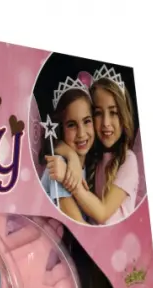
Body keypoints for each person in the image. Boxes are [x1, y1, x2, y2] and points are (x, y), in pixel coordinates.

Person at [46, 67, 138, 225]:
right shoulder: (93, 158)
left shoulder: (128, 160)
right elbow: (55, 144)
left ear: (124, 116)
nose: (106, 123)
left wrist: (69, 178)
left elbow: (102, 213)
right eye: (98, 113)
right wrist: (72, 157)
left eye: (113, 113)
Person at [39, 86, 95, 223]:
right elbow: (78, 225)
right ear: (60, 128)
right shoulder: (58, 165)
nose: (81, 133)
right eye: (71, 125)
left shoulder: (89, 165)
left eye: (87, 121)